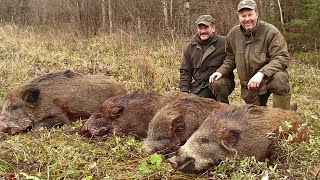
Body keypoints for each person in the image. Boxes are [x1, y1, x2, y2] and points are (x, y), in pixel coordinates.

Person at [209, 0, 294, 110]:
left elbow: (282, 57)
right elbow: (230, 58)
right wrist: (221, 71)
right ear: (238, 17)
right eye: (243, 16)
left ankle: (284, 116)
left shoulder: (271, 32)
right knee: (257, 117)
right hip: (249, 85)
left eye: (250, 14)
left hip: (267, 78)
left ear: (256, 14)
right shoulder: (233, 34)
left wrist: (261, 73)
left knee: (280, 78)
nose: (247, 19)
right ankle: (291, 108)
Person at [179, 15, 235, 104]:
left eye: (206, 28)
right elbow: (185, 71)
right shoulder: (190, 47)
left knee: (217, 83)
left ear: (213, 28)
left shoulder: (224, 42)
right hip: (199, 87)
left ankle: (224, 108)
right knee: (189, 105)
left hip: (221, 83)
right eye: (200, 28)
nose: (203, 31)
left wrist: (221, 71)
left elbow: (232, 59)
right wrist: (184, 92)